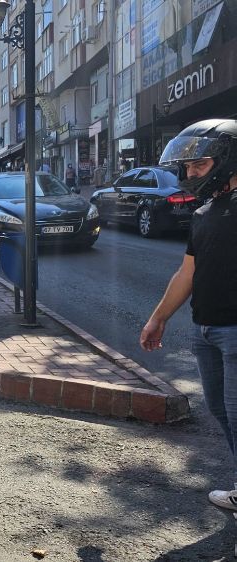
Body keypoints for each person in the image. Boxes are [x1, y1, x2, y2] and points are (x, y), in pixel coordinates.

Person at [140, 119, 237, 511]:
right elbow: (188, 272)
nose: (190, 174)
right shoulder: (205, 211)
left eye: (200, 166)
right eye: (188, 167)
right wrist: (158, 317)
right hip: (205, 331)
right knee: (220, 410)